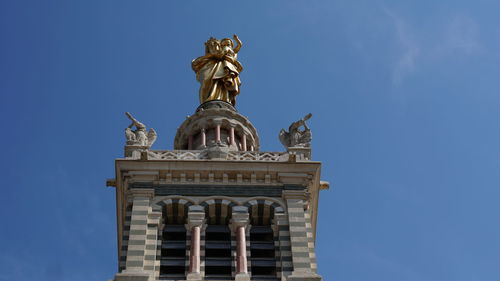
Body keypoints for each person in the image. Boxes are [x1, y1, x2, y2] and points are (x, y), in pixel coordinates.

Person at [192, 35, 243, 106]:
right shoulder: (221, 51)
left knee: (224, 84)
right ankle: (211, 99)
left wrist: (236, 39)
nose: (226, 44)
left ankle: (224, 99)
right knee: (213, 80)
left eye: (228, 43)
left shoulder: (232, 51)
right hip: (220, 65)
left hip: (228, 66)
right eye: (224, 43)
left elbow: (239, 46)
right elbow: (218, 54)